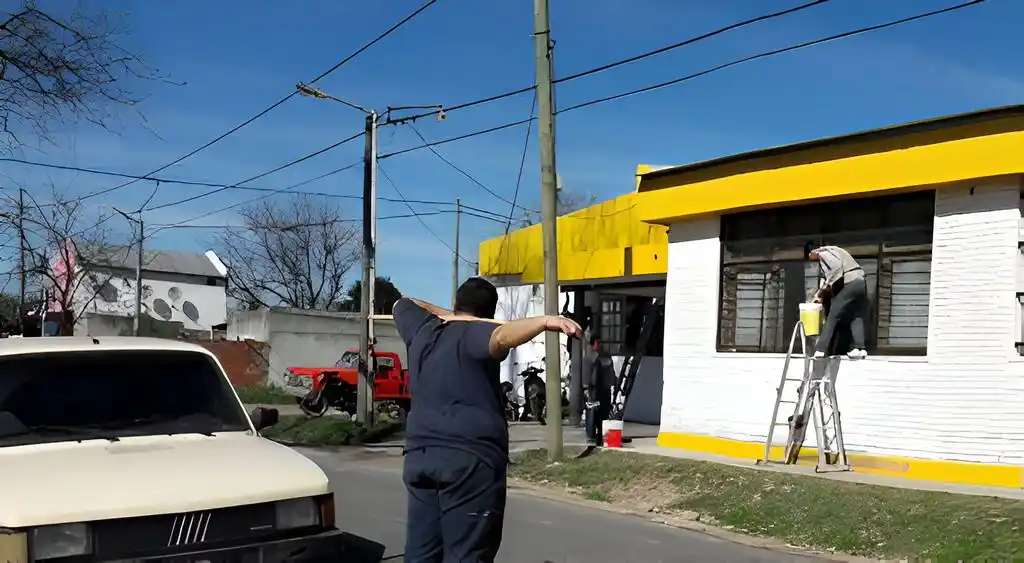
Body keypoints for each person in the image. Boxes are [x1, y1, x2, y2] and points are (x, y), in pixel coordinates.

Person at [393, 277, 582, 563]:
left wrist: (447, 315)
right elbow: (502, 337)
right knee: (467, 554)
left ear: (456, 304)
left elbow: (401, 303)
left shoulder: (422, 329)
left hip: (420, 458)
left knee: (421, 555)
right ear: (490, 314)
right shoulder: (477, 334)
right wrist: (544, 320)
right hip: (469, 461)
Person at [806, 243, 869, 360]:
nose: (813, 261)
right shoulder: (836, 251)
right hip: (861, 281)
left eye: (811, 258)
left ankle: (820, 349)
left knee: (833, 314)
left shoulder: (824, 253)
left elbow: (836, 270)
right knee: (855, 315)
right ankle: (860, 348)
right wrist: (823, 291)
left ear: (812, 252)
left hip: (851, 282)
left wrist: (822, 290)